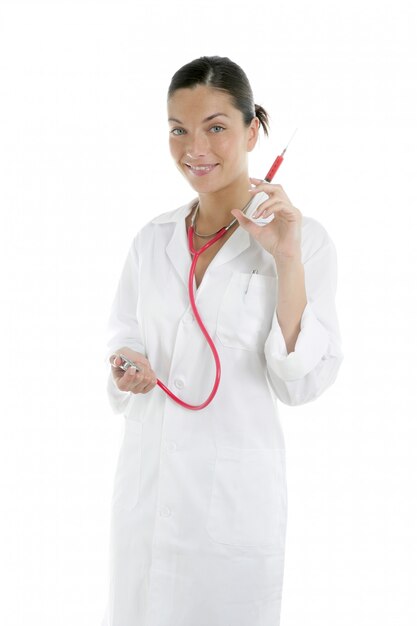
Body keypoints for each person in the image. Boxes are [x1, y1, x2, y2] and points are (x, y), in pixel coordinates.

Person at [101, 55, 343, 626]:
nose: (194, 148)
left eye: (215, 127)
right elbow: (124, 332)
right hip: (147, 498)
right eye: (178, 129)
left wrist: (283, 257)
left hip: (232, 512)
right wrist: (128, 363)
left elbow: (302, 381)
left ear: (253, 130)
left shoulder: (304, 242)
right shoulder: (152, 239)